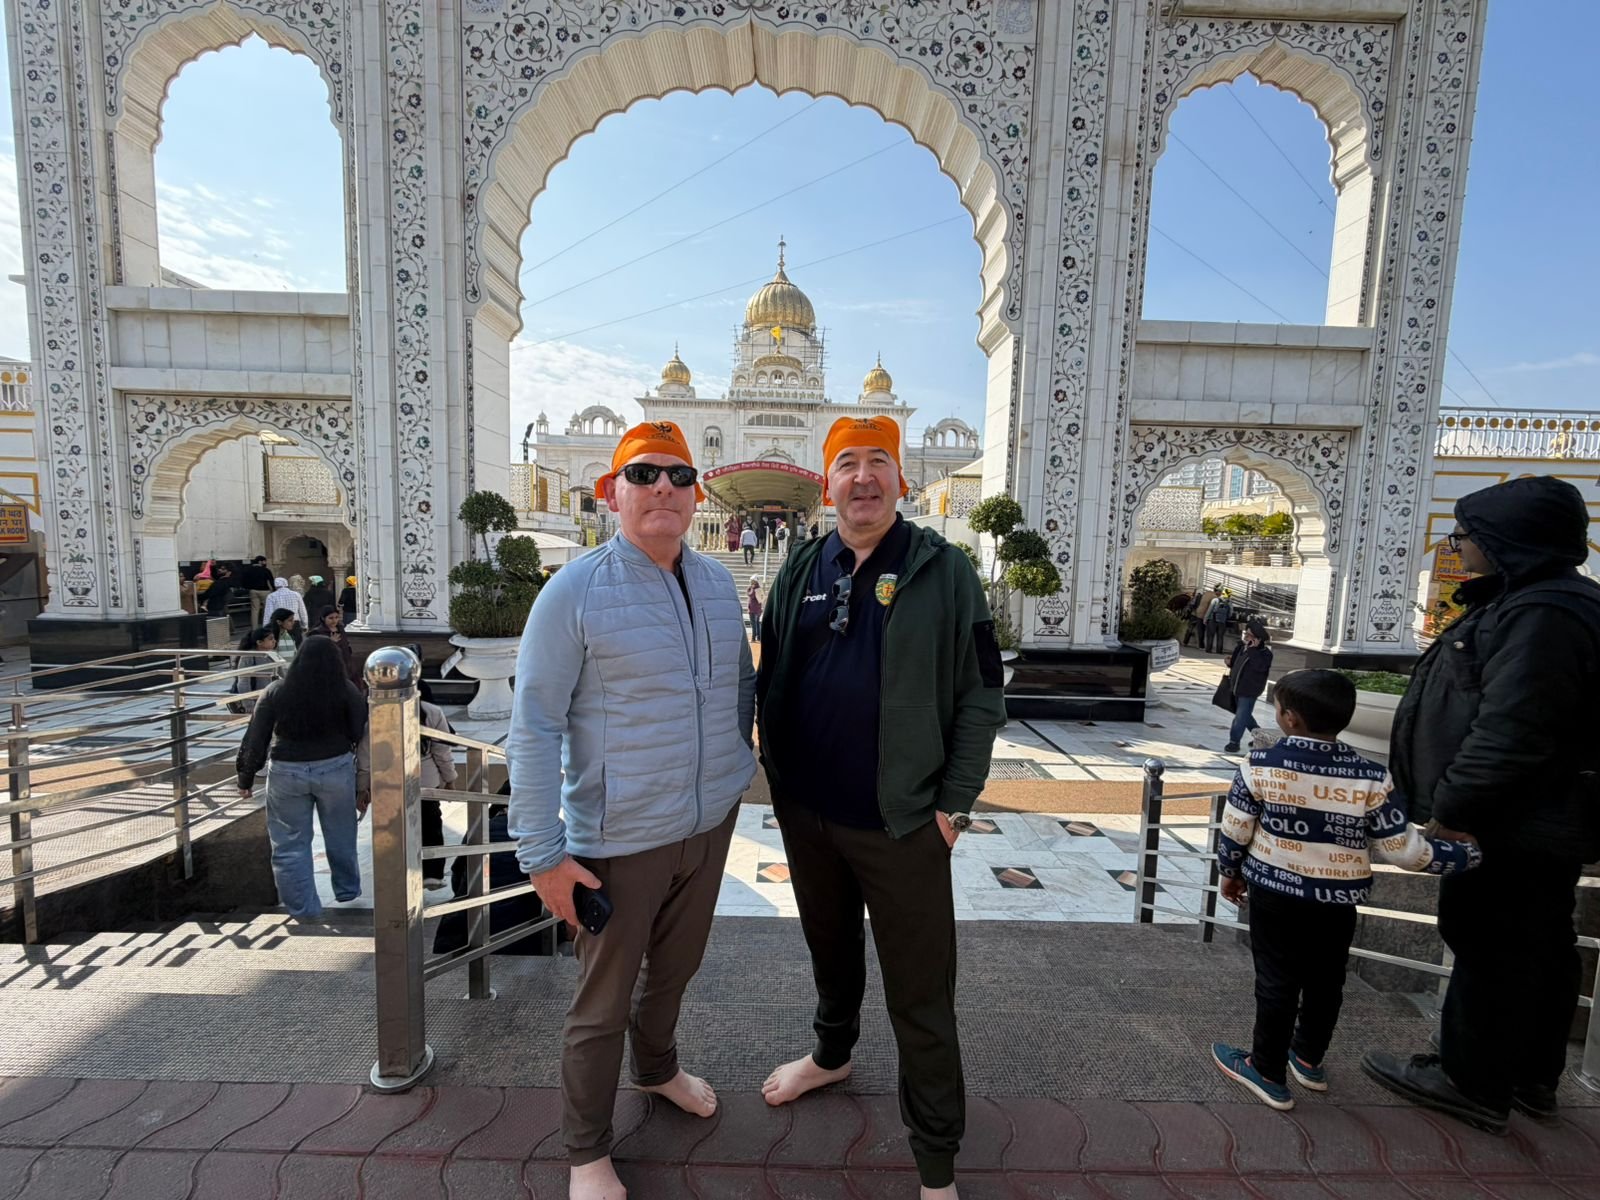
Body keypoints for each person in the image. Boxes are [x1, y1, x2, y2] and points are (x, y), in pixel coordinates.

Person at [757, 415, 1006, 1200]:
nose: (863, 478)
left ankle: (936, 1160)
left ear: (902, 479)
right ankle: (832, 1054)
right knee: (830, 951)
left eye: (878, 464)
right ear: (826, 483)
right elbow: (771, 676)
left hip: (903, 825)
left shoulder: (948, 571)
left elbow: (982, 693)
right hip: (808, 816)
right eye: (847, 465)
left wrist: (953, 805)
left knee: (921, 991)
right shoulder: (804, 565)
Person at [505, 419, 756, 1200]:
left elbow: (738, 696)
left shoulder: (717, 585)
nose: (664, 490)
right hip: (619, 838)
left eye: (680, 477)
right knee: (601, 1003)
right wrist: (542, 854)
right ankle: (586, 1150)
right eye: (644, 474)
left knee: (676, 972)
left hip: (707, 828)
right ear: (612, 490)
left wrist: (738, 773)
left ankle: (657, 1071)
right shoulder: (574, 590)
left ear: (697, 494)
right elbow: (535, 723)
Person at [1362, 476, 1600, 1134]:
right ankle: (1526, 1074)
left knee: (1494, 944)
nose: (1457, 545)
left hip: (1512, 824)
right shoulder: (1534, 603)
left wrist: (1453, 810)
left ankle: (1472, 1080)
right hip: (1532, 820)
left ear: (1506, 541)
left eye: (1465, 536)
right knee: (1537, 945)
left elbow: (1514, 730)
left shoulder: (1544, 614)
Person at [1210, 669, 1481, 1111]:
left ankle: (1266, 1070)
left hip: (1274, 895)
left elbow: (1236, 829)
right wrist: (1468, 856)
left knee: (1276, 981)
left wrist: (1230, 871)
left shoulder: (1258, 766)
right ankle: (1308, 1058)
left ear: (1290, 718)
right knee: (1326, 979)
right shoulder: (1371, 777)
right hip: (1336, 900)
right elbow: (1404, 851)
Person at [235, 636, 367, 923]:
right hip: (334, 767)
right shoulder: (345, 690)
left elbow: (256, 737)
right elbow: (359, 729)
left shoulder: (276, 690)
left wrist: (245, 776)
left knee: (289, 843)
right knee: (341, 833)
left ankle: (303, 910)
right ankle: (347, 890)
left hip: (286, 771)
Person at [417, 679, 458, 891]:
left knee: (397, 830)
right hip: (425, 779)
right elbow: (442, 751)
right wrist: (449, 778)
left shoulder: (376, 709)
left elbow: (367, 752)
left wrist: (363, 784)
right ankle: (432, 873)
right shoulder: (431, 711)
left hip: (390, 780)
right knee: (431, 823)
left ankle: (404, 872)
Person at [1222, 619, 1272, 753]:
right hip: (1236, 686)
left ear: (1258, 639)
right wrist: (1230, 663)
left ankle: (1234, 742)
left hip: (1250, 690)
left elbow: (1259, 667)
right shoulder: (1240, 647)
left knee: (1240, 717)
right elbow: (1236, 663)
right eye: (1246, 634)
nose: (1246, 637)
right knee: (1245, 716)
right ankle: (1262, 737)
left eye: (1250, 635)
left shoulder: (1265, 654)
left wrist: (1253, 650)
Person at [227, 626, 282, 716]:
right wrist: (248, 704)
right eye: (270, 639)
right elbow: (244, 682)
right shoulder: (248, 656)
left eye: (274, 638)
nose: (274, 641)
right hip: (255, 700)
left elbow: (282, 676)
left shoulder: (273, 655)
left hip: (269, 699)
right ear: (259, 642)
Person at [306, 604, 360, 688]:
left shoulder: (340, 629)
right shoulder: (317, 632)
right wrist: (330, 642)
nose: (334, 620)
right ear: (323, 618)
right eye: (331, 618)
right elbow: (314, 652)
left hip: (345, 665)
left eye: (336, 617)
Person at [240, 556, 275, 627]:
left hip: (253, 591)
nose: (265, 563)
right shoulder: (265, 570)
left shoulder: (248, 570)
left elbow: (243, 581)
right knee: (266, 609)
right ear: (260, 561)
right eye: (264, 561)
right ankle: (266, 625)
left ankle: (254, 628)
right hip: (265, 591)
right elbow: (271, 581)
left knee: (255, 610)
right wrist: (274, 590)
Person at [1205, 588, 1235, 654]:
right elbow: (1230, 613)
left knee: (1210, 635)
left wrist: (1205, 618)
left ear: (1222, 593)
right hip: (1222, 622)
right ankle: (1219, 651)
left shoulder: (1215, 600)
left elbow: (1209, 610)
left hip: (1213, 620)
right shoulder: (1229, 603)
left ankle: (1208, 649)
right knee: (1220, 637)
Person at [747, 576, 763, 643]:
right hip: (757, 609)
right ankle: (759, 638)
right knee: (757, 623)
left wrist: (748, 590)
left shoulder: (754, 588)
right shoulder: (759, 588)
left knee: (753, 624)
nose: (750, 582)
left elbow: (751, 595)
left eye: (751, 581)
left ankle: (753, 638)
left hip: (753, 609)